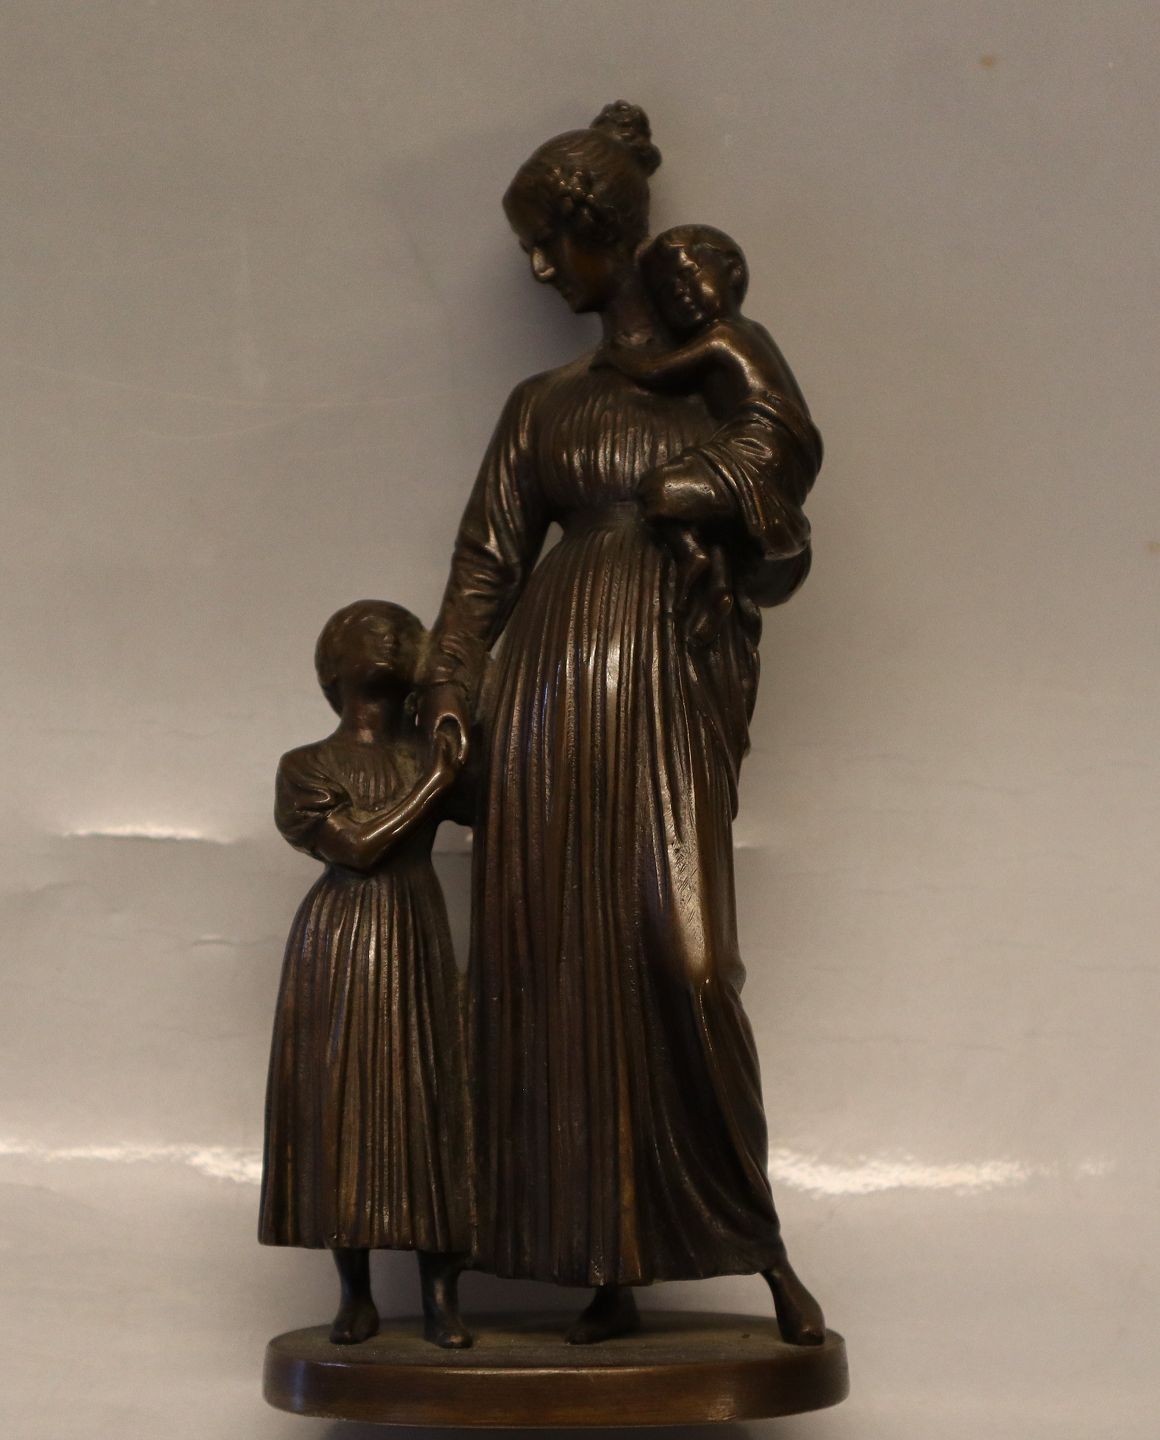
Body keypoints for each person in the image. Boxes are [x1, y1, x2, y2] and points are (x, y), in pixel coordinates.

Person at [421, 102, 825, 1346]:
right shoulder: (539, 405)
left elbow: (781, 533)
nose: (539, 269)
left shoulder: (717, 378)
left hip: (665, 686)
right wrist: (450, 694)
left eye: (548, 242)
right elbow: (484, 567)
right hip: (546, 703)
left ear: (601, 230)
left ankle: (755, 1248)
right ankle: (602, 1260)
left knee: (686, 960)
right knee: (554, 970)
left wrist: (717, 504)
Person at [259, 599, 473, 1349]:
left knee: (431, 1096)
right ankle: (354, 1289)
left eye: (397, 630)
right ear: (332, 664)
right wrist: (436, 783)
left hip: (415, 931)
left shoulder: (432, 753)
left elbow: (508, 808)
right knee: (342, 1100)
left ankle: (440, 1293)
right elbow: (353, 849)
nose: (385, 634)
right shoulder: (306, 766)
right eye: (365, 628)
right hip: (344, 937)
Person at [601, 223, 815, 645]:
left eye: (687, 274)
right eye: (667, 292)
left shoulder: (726, 336)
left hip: (763, 445)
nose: (679, 293)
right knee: (702, 511)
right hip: (767, 449)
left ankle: (694, 555)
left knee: (660, 491)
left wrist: (618, 359)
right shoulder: (743, 335)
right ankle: (711, 578)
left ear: (732, 272)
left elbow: (658, 372)